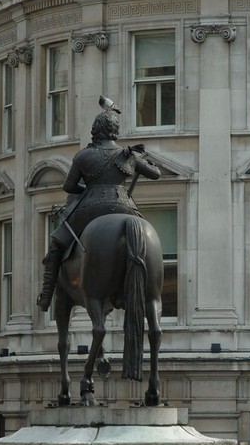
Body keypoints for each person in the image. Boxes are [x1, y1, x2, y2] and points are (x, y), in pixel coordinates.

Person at [36, 111, 161, 311]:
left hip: (89, 209)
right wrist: (146, 163)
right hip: (125, 207)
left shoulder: (84, 155)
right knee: (145, 237)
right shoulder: (128, 155)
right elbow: (156, 174)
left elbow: (69, 187)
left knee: (56, 245)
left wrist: (87, 190)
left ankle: (46, 296)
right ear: (115, 131)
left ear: (95, 131)